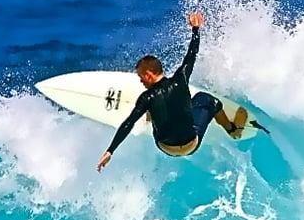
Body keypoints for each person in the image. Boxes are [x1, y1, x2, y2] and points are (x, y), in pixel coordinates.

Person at [96, 12, 246, 173]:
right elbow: (192, 54)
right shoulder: (180, 79)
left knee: (153, 107)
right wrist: (196, 29)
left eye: (141, 77)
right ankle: (232, 130)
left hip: (165, 147)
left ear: (148, 74)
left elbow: (129, 123)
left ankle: (150, 115)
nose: (140, 81)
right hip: (191, 145)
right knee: (208, 100)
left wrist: (110, 150)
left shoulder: (147, 97)